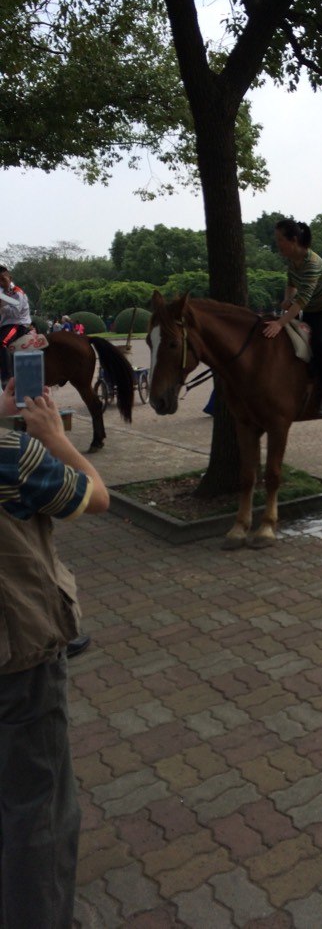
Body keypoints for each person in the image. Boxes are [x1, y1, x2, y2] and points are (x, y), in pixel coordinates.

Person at [0, 379, 110, 928]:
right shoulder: (12, 457)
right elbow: (99, 498)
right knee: (38, 809)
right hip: (17, 659)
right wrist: (55, 438)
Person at [263, 219, 322, 418]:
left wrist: (281, 322)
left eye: (280, 239)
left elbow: (303, 299)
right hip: (309, 313)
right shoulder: (293, 261)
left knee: (321, 343)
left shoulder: (312, 263)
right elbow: (291, 284)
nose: (278, 244)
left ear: (294, 240)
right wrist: (286, 300)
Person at [0, 266, 32, 388]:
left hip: (17, 324)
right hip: (4, 325)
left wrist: (2, 305)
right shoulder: (2, 293)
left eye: (3, 279)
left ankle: (7, 378)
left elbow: (15, 313)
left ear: (10, 278)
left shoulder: (17, 292)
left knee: (2, 343)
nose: (1, 283)